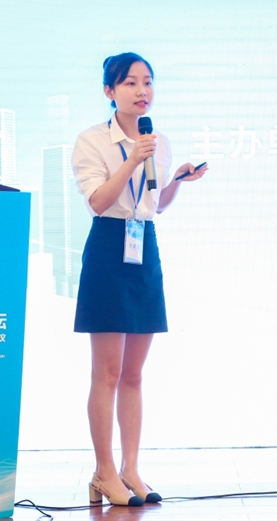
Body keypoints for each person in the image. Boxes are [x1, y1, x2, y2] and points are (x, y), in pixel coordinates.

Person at [71, 52, 208, 507]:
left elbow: (155, 203)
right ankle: (104, 471)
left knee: (133, 374)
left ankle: (131, 469)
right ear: (109, 91)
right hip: (109, 248)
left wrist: (177, 182)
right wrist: (131, 159)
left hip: (144, 246)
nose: (142, 91)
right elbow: (98, 201)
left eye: (147, 82)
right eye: (130, 83)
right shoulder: (92, 140)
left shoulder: (158, 141)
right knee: (107, 372)